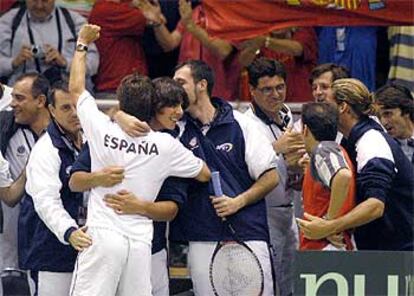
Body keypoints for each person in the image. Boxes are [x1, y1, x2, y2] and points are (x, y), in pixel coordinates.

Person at [68, 24, 211, 296]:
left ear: (121, 103)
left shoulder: (102, 129)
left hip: (104, 236)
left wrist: (82, 44)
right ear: (153, 108)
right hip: (140, 243)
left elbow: (76, 89)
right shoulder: (167, 145)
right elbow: (204, 173)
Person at [69, 77, 190, 296]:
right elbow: (75, 181)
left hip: (150, 248)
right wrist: (97, 178)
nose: (179, 112)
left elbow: (173, 209)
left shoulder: (172, 146)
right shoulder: (112, 132)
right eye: (171, 105)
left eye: (181, 105)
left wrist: (140, 207)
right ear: (154, 107)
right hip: (113, 238)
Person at [168, 59, 279, 295]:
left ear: (201, 85)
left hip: (248, 234)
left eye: (181, 82)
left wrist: (238, 201)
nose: (174, 88)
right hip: (201, 237)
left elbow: (271, 177)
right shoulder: (175, 131)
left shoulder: (243, 124)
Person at [297, 78, 414, 251]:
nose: (324, 111)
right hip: (381, 249)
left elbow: (375, 206)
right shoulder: (350, 140)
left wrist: (330, 226)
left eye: (328, 105)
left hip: (400, 252)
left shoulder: (372, 142)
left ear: (342, 107)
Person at [19, 80, 91, 295]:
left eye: (77, 106)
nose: (75, 113)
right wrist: (69, 231)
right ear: (51, 110)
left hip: (86, 248)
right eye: (66, 107)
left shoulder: (91, 140)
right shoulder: (46, 150)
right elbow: (46, 201)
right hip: (50, 251)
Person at [244, 57, 301, 296]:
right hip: (263, 215)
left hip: (292, 211)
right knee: (270, 283)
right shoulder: (245, 125)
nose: (275, 95)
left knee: (292, 282)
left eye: (280, 87)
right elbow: (242, 171)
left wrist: (296, 170)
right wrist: (276, 148)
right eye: (267, 89)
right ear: (252, 91)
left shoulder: (287, 115)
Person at [0, 73, 50, 278]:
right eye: (13, 98)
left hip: (61, 230)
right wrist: (32, 164)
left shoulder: (67, 132)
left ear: (41, 101)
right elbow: (10, 197)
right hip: (20, 230)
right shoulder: (5, 128)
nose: (12, 104)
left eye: (19, 98)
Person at [149, 0, 242, 101]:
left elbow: (223, 51)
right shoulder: (194, 12)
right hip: (187, 93)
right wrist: (157, 22)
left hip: (219, 95)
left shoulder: (230, 14)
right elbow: (170, 43)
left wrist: (191, 26)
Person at [0, 0, 99, 88]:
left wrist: (65, 63)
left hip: (66, 93)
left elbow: (93, 63)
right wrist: (13, 63)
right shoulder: (8, 22)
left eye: (45, 1)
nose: (39, 6)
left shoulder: (75, 22)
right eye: (34, 0)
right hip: (22, 97)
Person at [300, 102, 356, 251]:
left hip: (324, 246)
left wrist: (328, 223)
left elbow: (343, 176)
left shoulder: (323, 150)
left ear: (305, 130)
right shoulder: (335, 151)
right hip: (332, 245)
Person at [88, 0, 165, 100]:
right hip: (115, 89)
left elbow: (157, 18)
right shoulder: (105, 8)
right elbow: (153, 18)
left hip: (131, 88)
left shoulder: (122, 5)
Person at [239, 26, 318, 102]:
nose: (277, 25)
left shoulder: (303, 30)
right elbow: (244, 62)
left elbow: (297, 49)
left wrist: (265, 41)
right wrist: (253, 47)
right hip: (266, 104)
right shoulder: (260, 35)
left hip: (299, 104)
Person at [375, 83, 414, 164]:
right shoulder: (382, 147)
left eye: (388, 114)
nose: (383, 122)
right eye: (379, 117)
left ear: (406, 111)